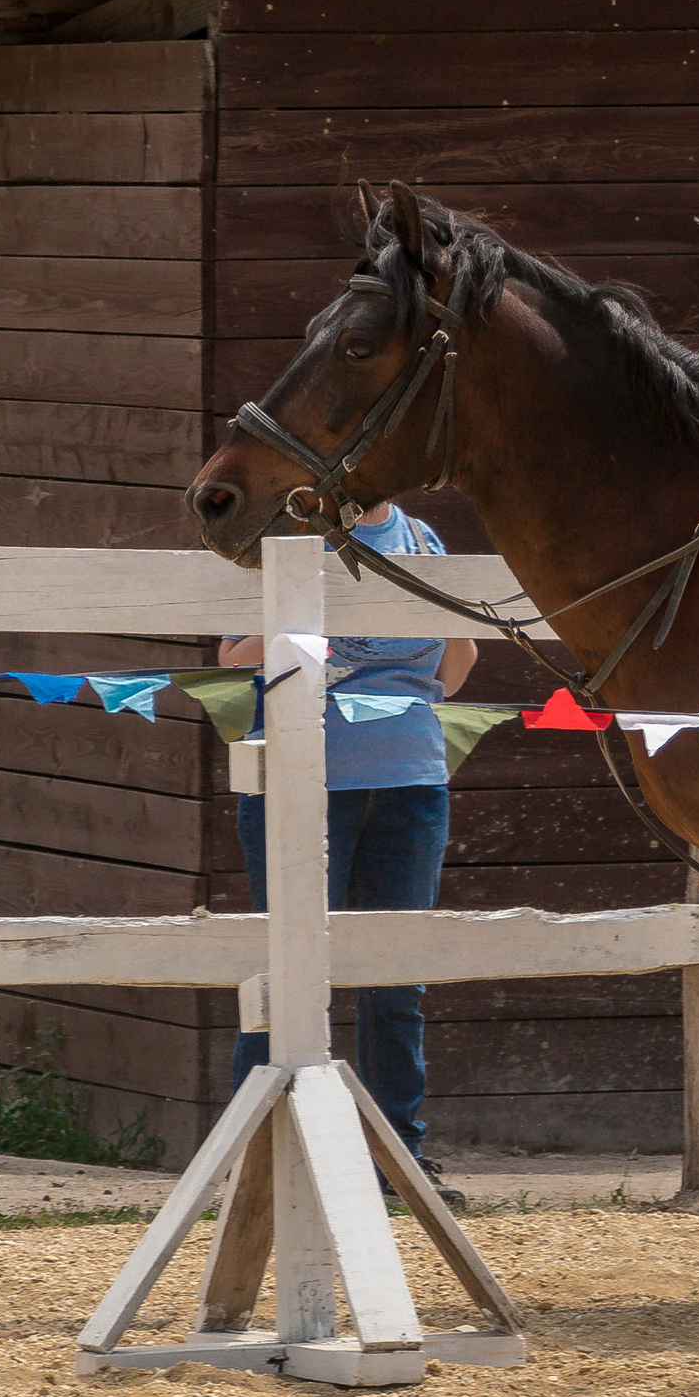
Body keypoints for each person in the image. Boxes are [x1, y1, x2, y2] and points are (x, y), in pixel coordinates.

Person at [220, 500, 478, 1208]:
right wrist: (309, 628)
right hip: (302, 782)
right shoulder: (290, 537)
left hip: (412, 779)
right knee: (287, 966)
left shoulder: (425, 539)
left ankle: (397, 1154)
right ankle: (258, 1162)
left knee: (399, 975)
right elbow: (235, 657)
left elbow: (454, 673)